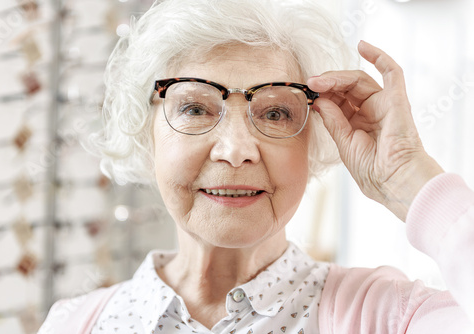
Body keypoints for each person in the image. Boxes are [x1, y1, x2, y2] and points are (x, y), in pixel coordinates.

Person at [38, 0, 474, 333]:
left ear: (315, 135)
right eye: (194, 108)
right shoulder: (75, 324)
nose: (235, 150)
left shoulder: (387, 317)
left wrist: (408, 178)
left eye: (275, 114)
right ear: (144, 131)